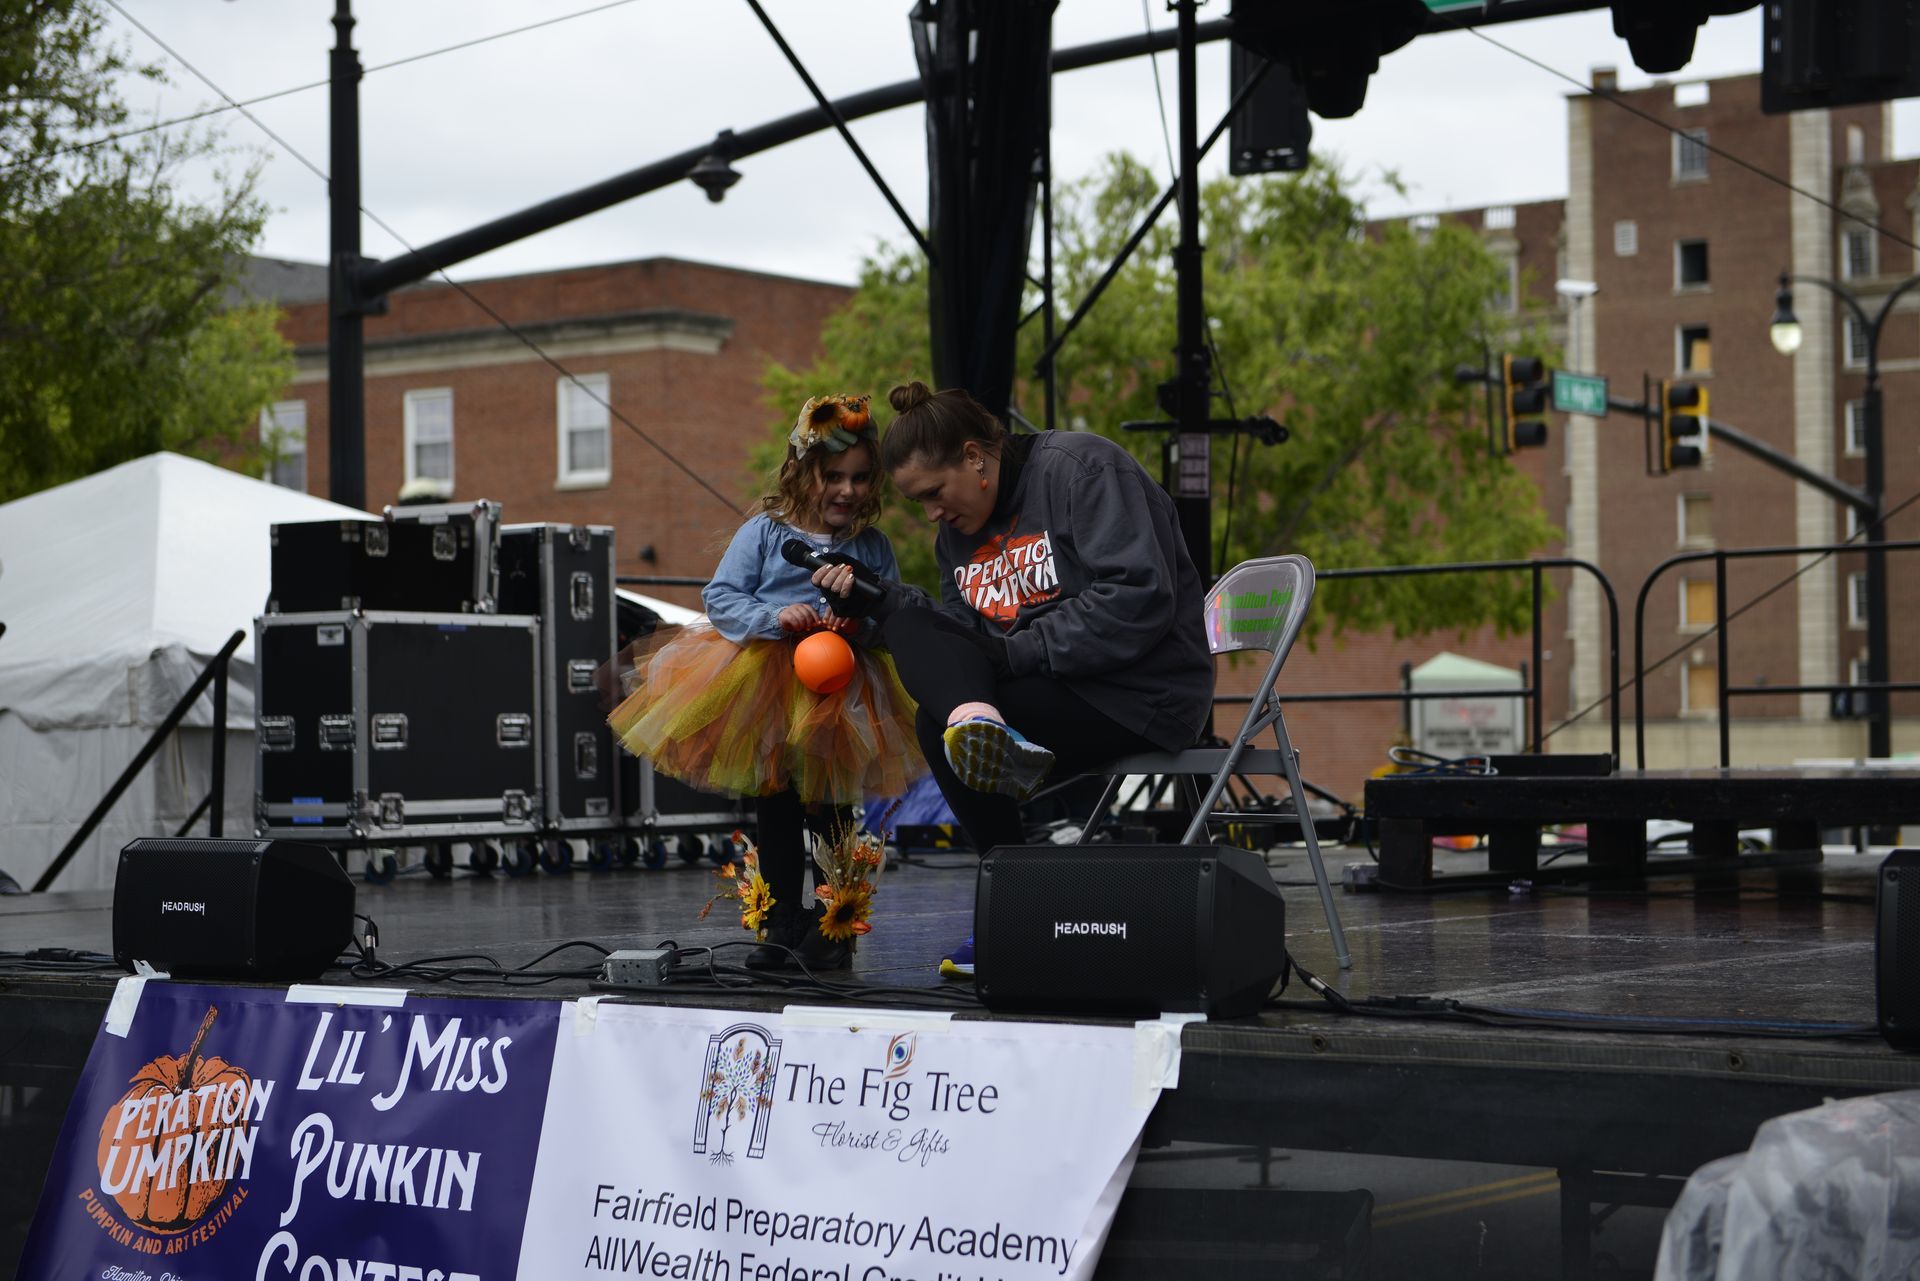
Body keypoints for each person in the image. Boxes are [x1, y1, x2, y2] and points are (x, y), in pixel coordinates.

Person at [865, 381, 1215, 977]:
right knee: (908, 629)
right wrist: (884, 606)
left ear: (975, 457)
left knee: (936, 728)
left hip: (1140, 692)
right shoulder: (956, 535)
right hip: (1034, 687)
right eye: (917, 503)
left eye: (933, 493)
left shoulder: (1083, 470)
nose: (931, 514)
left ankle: (1017, 912)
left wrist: (1016, 652)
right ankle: (984, 737)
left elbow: (1139, 597)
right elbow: (964, 635)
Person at [608, 394, 924, 970]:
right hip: (770, 682)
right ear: (804, 472)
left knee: (830, 805)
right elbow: (721, 597)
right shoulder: (765, 533)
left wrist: (858, 622)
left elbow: (889, 621)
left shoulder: (871, 546)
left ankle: (835, 923)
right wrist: (774, 617)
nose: (847, 491)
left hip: (841, 687)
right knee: (775, 802)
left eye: (859, 479)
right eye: (833, 476)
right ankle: (779, 919)